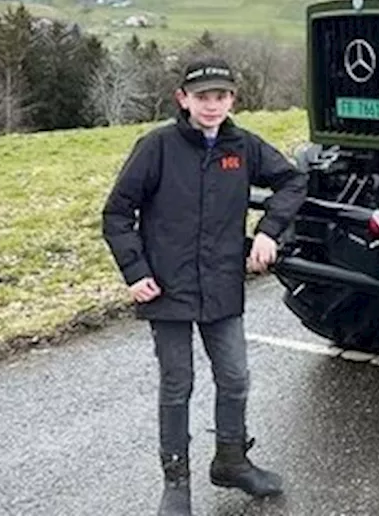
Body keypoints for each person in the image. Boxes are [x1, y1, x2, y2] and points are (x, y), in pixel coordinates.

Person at [102, 56, 308, 515]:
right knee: (178, 385)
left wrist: (270, 232)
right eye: (202, 98)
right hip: (166, 289)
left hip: (221, 285)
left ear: (233, 99)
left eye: (221, 97)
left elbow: (293, 181)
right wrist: (135, 272)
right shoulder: (156, 147)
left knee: (235, 378)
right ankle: (176, 482)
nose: (212, 106)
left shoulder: (243, 146)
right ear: (183, 100)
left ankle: (232, 462)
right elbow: (117, 213)